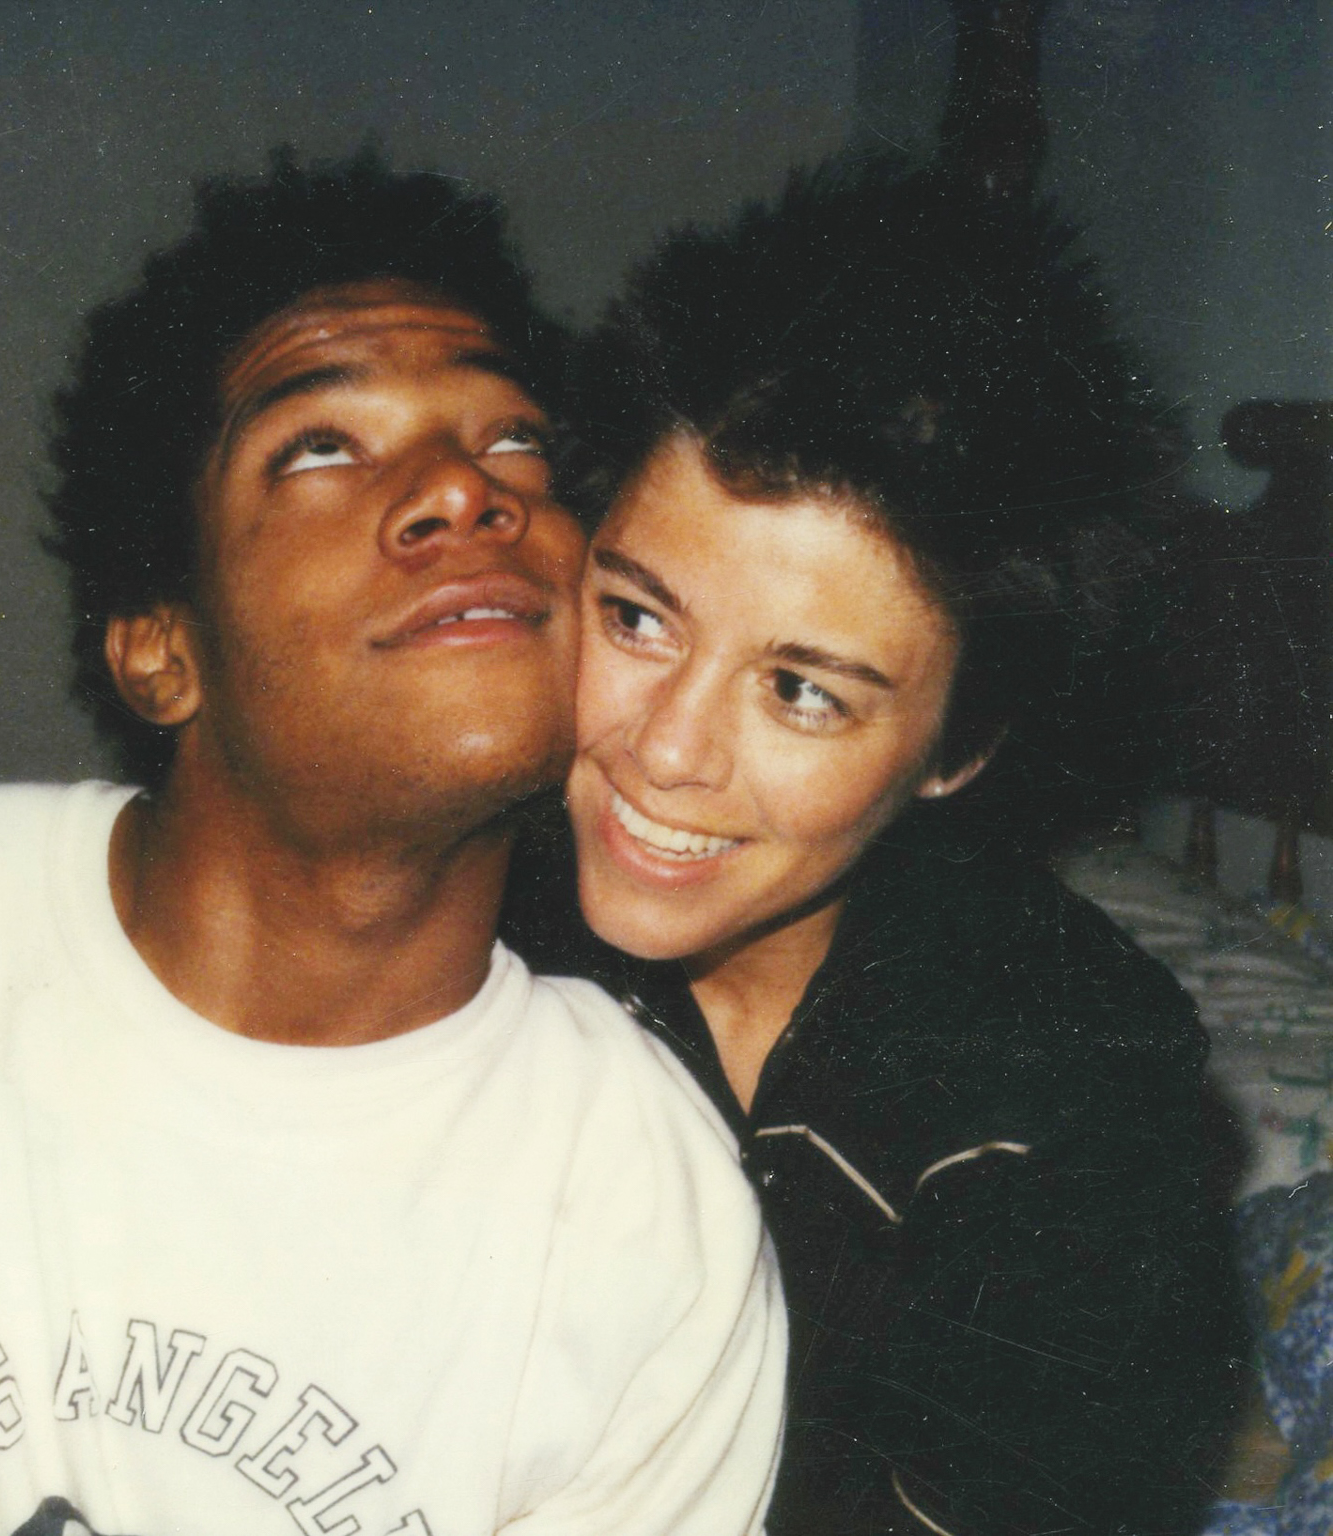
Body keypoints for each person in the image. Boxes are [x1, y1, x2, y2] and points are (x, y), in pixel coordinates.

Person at [0, 152, 787, 1536]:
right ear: (161, 647)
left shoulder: (648, 1212)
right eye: (319, 448)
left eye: (513, 444)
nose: (462, 493)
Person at [505, 160, 1243, 1535]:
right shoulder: (438, 924)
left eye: (802, 692)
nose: (666, 750)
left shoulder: (1075, 1091)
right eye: (638, 618)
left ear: (958, 749)